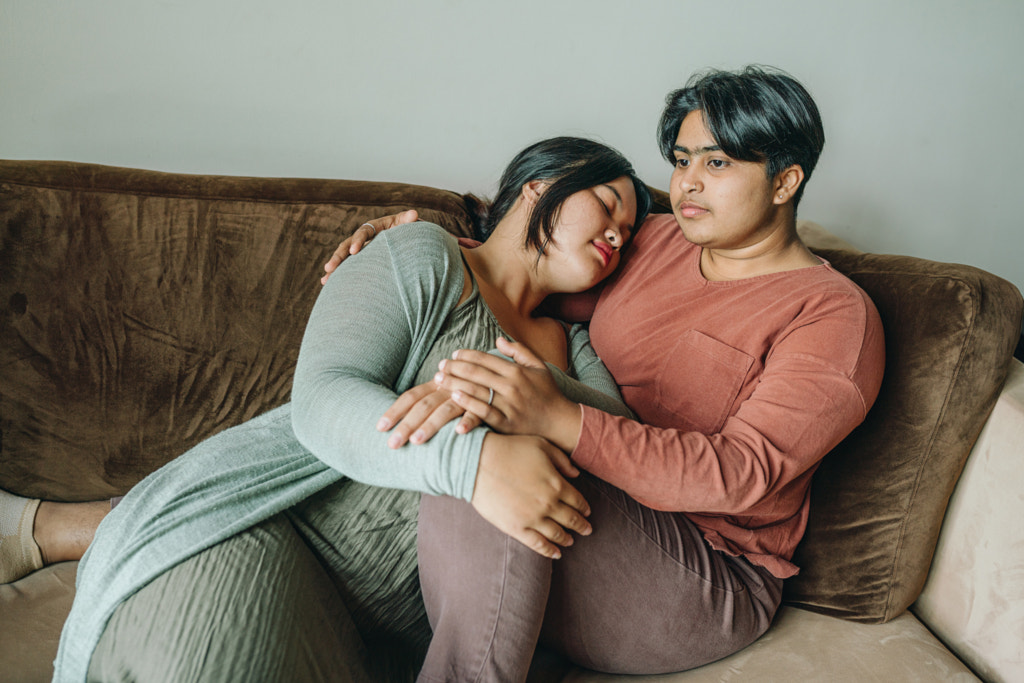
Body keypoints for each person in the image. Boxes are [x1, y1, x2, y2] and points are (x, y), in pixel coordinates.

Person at [1, 136, 650, 682]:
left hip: (400, 642)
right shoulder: (429, 256)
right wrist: (473, 461)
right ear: (542, 185)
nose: (619, 233)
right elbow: (324, 398)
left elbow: (626, 446)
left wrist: (513, 386)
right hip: (284, 541)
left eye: (629, 231)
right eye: (607, 202)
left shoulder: (573, 347)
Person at [330, 65, 886, 680]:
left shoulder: (833, 315)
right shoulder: (653, 241)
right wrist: (419, 249)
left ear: (784, 181)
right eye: (682, 160)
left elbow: (741, 473)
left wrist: (559, 417)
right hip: (596, 508)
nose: (687, 184)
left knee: (500, 427)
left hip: (707, 572)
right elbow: (524, 278)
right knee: (485, 419)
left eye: (718, 164)